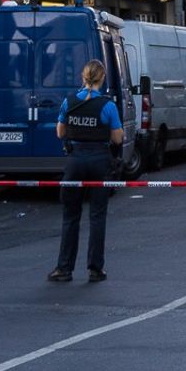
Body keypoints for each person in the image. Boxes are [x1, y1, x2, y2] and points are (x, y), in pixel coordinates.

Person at [50, 59, 123, 283]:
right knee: (97, 216)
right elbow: (118, 138)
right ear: (101, 79)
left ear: (83, 78)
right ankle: (95, 269)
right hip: (99, 161)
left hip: (75, 160)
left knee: (70, 216)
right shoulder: (107, 105)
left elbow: (60, 133)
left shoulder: (69, 102)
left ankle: (64, 269)